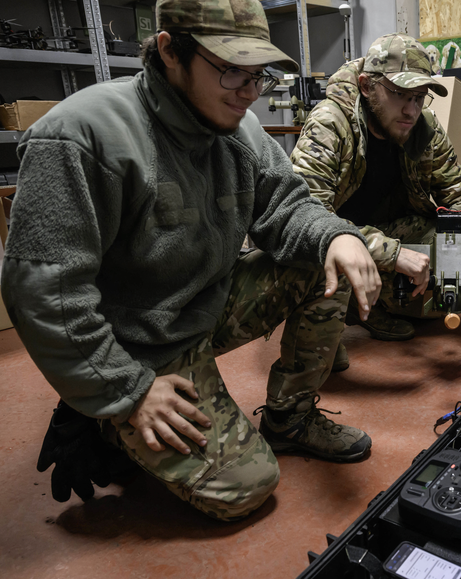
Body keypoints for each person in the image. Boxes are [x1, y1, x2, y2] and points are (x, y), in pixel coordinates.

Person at [0, 0, 381, 522]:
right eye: (230, 72)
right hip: (137, 345)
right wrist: (126, 392)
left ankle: (290, 421)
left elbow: (287, 207)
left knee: (321, 258)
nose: (249, 93)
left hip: (199, 305)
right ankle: (97, 412)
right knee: (247, 487)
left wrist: (338, 236)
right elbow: (43, 290)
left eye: (257, 76)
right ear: (169, 51)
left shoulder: (238, 131)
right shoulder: (82, 136)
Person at [292, 33, 461, 343]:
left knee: (455, 270)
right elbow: (306, 218)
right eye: (400, 94)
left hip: (391, 229)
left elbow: (456, 191)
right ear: (366, 86)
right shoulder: (329, 125)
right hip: (339, 238)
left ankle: (373, 298)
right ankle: (355, 304)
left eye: (419, 97)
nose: (411, 110)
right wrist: (393, 253)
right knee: (324, 262)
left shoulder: (424, 128)